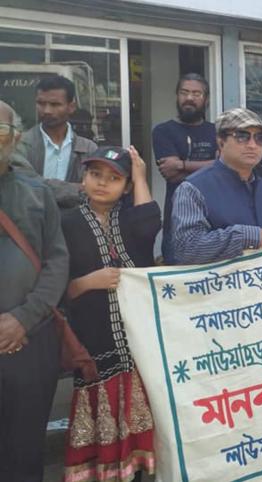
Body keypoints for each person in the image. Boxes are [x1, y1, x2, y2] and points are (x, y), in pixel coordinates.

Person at [61, 146, 159, 481]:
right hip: (94, 339)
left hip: (136, 347)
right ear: (83, 179)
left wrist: (141, 174)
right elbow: (58, 287)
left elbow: (151, 226)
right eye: (95, 175)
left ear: (127, 186)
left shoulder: (131, 219)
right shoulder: (67, 223)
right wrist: (89, 282)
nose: (103, 183)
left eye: (114, 178)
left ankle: (137, 470)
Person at [0, 101, 69, 482]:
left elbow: (57, 262)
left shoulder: (36, 191)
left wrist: (23, 319)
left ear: (14, 139)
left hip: (30, 341)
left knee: (24, 452)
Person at [170, 108, 262, 265]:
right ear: (221, 142)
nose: (252, 145)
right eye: (242, 136)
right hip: (216, 287)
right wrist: (245, 236)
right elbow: (187, 247)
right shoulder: (193, 188)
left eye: (259, 138)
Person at [152, 73, 218, 264]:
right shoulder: (163, 131)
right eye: (184, 92)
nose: (189, 98)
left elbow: (223, 168)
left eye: (197, 93)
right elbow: (171, 175)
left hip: (213, 218)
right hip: (177, 219)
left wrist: (181, 165)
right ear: (177, 96)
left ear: (206, 99)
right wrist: (211, 167)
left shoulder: (216, 131)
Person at [13, 75, 97, 207]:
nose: (46, 110)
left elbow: (95, 190)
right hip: (32, 223)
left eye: (55, 104)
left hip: (74, 224)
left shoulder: (88, 148)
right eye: (41, 103)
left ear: (71, 107)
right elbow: (24, 185)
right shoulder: (21, 143)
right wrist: (76, 189)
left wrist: (42, 185)